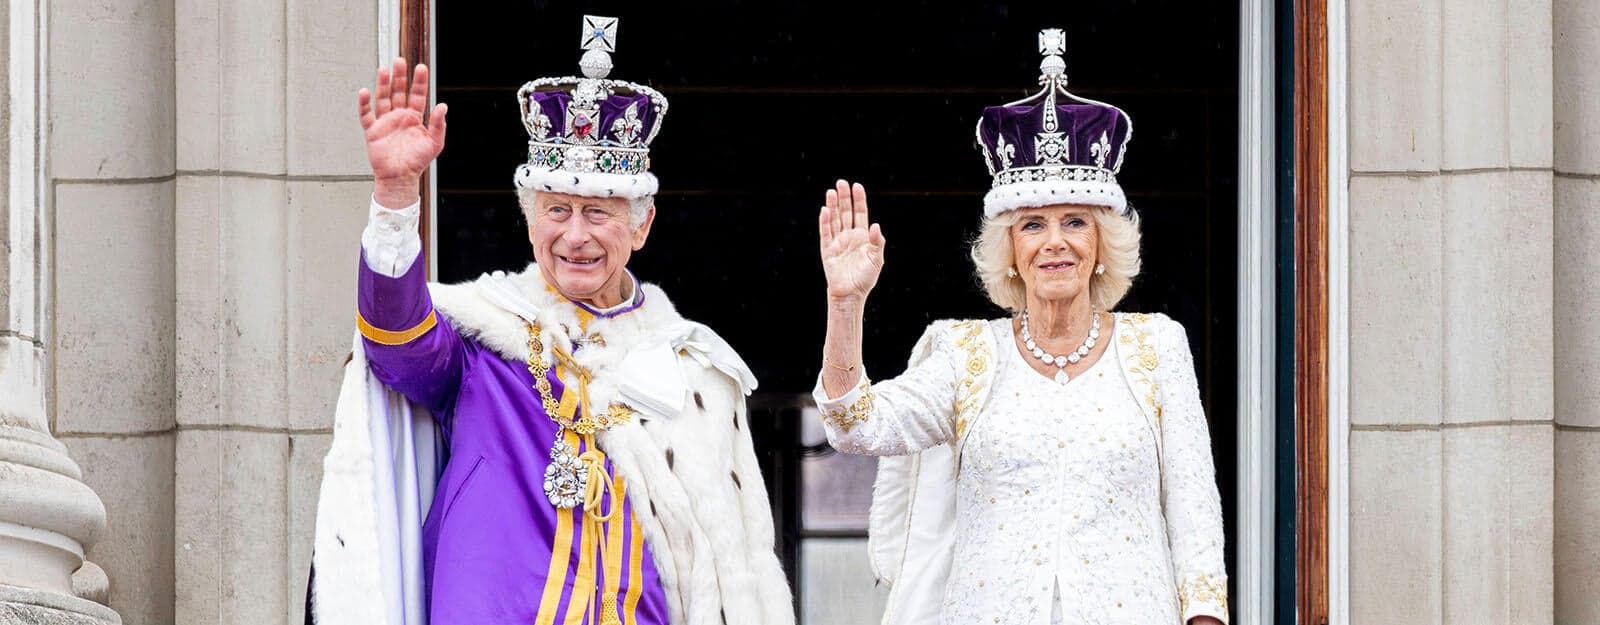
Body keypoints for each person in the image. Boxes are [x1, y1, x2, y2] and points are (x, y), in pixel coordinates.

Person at [308, 16, 793, 625]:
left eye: (598, 212)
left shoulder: (694, 373)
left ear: (641, 225)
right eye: (557, 210)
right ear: (530, 219)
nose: (575, 235)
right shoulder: (487, 341)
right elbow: (397, 346)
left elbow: (726, 568)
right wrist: (396, 195)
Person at [811, 29, 1229, 625]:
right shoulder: (965, 354)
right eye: (1032, 224)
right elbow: (854, 426)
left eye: (1075, 222)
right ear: (1008, 247)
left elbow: (1195, 512)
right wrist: (845, 303)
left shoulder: (1157, 347)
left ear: (1102, 242)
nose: (1054, 242)